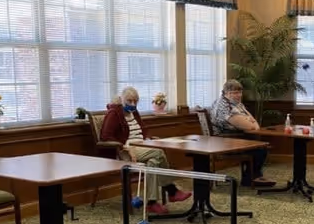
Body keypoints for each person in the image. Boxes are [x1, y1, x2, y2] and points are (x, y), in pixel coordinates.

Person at [100, 86, 191, 215]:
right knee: (159, 153)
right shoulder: (114, 113)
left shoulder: (134, 112)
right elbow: (105, 136)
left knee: (153, 162)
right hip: (125, 151)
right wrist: (126, 147)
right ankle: (171, 190)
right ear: (122, 100)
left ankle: (152, 203)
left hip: (142, 147)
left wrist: (149, 140)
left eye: (135, 101)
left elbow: (143, 130)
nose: (133, 104)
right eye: (129, 101)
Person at [209, 79, 275, 187]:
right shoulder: (226, 107)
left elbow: (255, 124)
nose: (238, 95)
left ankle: (251, 176)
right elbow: (252, 126)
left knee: (258, 144)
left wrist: (249, 121)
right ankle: (251, 178)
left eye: (240, 92)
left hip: (230, 138)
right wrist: (249, 121)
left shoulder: (234, 103)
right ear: (226, 93)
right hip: (224, 142)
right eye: (235, 92)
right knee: (260, 148)